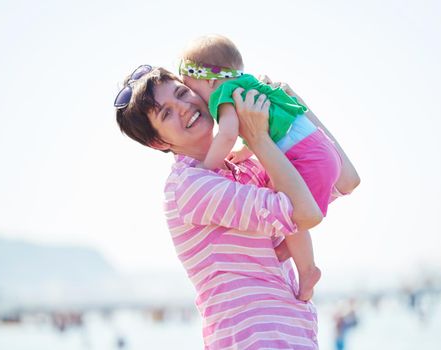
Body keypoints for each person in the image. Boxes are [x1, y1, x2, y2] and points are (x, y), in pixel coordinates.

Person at [114, 65, 359, 349]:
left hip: (294, 335)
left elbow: (346, 178)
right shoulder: (190, 185)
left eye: (182, 93)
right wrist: (257, 137)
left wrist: (293, 105)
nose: (182, 107)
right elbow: (305, 214)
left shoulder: (243, 169)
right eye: (166, 113)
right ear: (159, 141)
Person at [178, 34, 346, 301]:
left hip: (307, 158)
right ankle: (286, 256)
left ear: (209, 80)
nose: (195, 100)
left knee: (292, 215)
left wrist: (207, 166)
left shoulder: (223, 94)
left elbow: (229, 134)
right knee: (287, 213)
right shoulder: (250, 86)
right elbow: (265, 131)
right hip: (320, 148)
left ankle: (307, 270)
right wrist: (245, 153)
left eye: (192, 89)